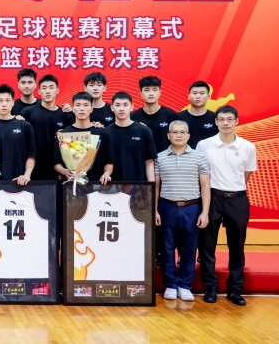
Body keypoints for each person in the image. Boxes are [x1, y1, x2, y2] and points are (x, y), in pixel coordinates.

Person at [196, 106, 257, 306]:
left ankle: (235, 290)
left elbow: (246, 175)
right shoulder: (204, 145)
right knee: (207, 246)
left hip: (237, 199)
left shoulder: (247, 147)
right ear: (215, 122)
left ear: (236, 121)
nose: (225, 123)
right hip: (212, 197)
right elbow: (200, 174)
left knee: (237, 246)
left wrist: (233, 189)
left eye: (229, 119)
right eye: (221, 119)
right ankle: (210, 288)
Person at [154, 120, 211, 302]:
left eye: (182, 132)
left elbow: (205, 186)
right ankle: (171, 284)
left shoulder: (199, 157)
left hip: (192, 208)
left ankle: (185, 285)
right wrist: (155, 210)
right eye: (175, 132)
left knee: (189, 248)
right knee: (167, 248)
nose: (178, 135)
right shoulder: (160, 157)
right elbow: (156, 187)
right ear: (168, 135)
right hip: (167, 207)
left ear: (188, 135)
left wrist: (205, 212)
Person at [0, 85, 36, 184]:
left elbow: (31, 154)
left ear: (13, 102)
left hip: (18, 181)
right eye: (0, 101)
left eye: (7, 100)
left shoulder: (25, 125)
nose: (4, 104)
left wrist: (27, 175)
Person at [53, 92, 114, 184]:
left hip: (96, 184)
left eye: (86, 105)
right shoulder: (63, 134)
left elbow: (109, 161)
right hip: (71, 185)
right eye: (78, 105)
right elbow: (56, 163)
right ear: (73, 109)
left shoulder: (103, 134)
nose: (82, 109)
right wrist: (64, 171)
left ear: (91, 109)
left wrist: (106, 173)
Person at [21, 75, 74, 180]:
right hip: (32, 169)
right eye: (44, 88)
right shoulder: (27, 112)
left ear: (57, 90)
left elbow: (71, 145)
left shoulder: (66, 115)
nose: (48, 91)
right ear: (39, 91)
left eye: (51, 87)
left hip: (59, 171)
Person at [107, 91, 157, 182]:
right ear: (112, 108)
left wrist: (151, 187)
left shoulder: (144, 131)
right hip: (112, 186)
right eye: (117, 105)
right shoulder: (106, 133)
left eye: (125, 105)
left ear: (131, 107)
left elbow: (149, 163)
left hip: (139, 186)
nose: (121, 109)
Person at [131, 76, 179, 153]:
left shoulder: (170, 115)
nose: (151, 93)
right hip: (141, 158)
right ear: (141, 93)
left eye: (155, 90)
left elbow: (178, 140)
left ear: (160, 93)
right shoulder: (132, 117)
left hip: (166, 159)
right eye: (147, 90)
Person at [178, 81, 218, 149]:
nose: (198, 96)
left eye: (202, 93)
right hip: (185, 155)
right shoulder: (178, 117)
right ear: (189, 96)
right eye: (194, 93)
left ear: (208, 97)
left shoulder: (215, 118)